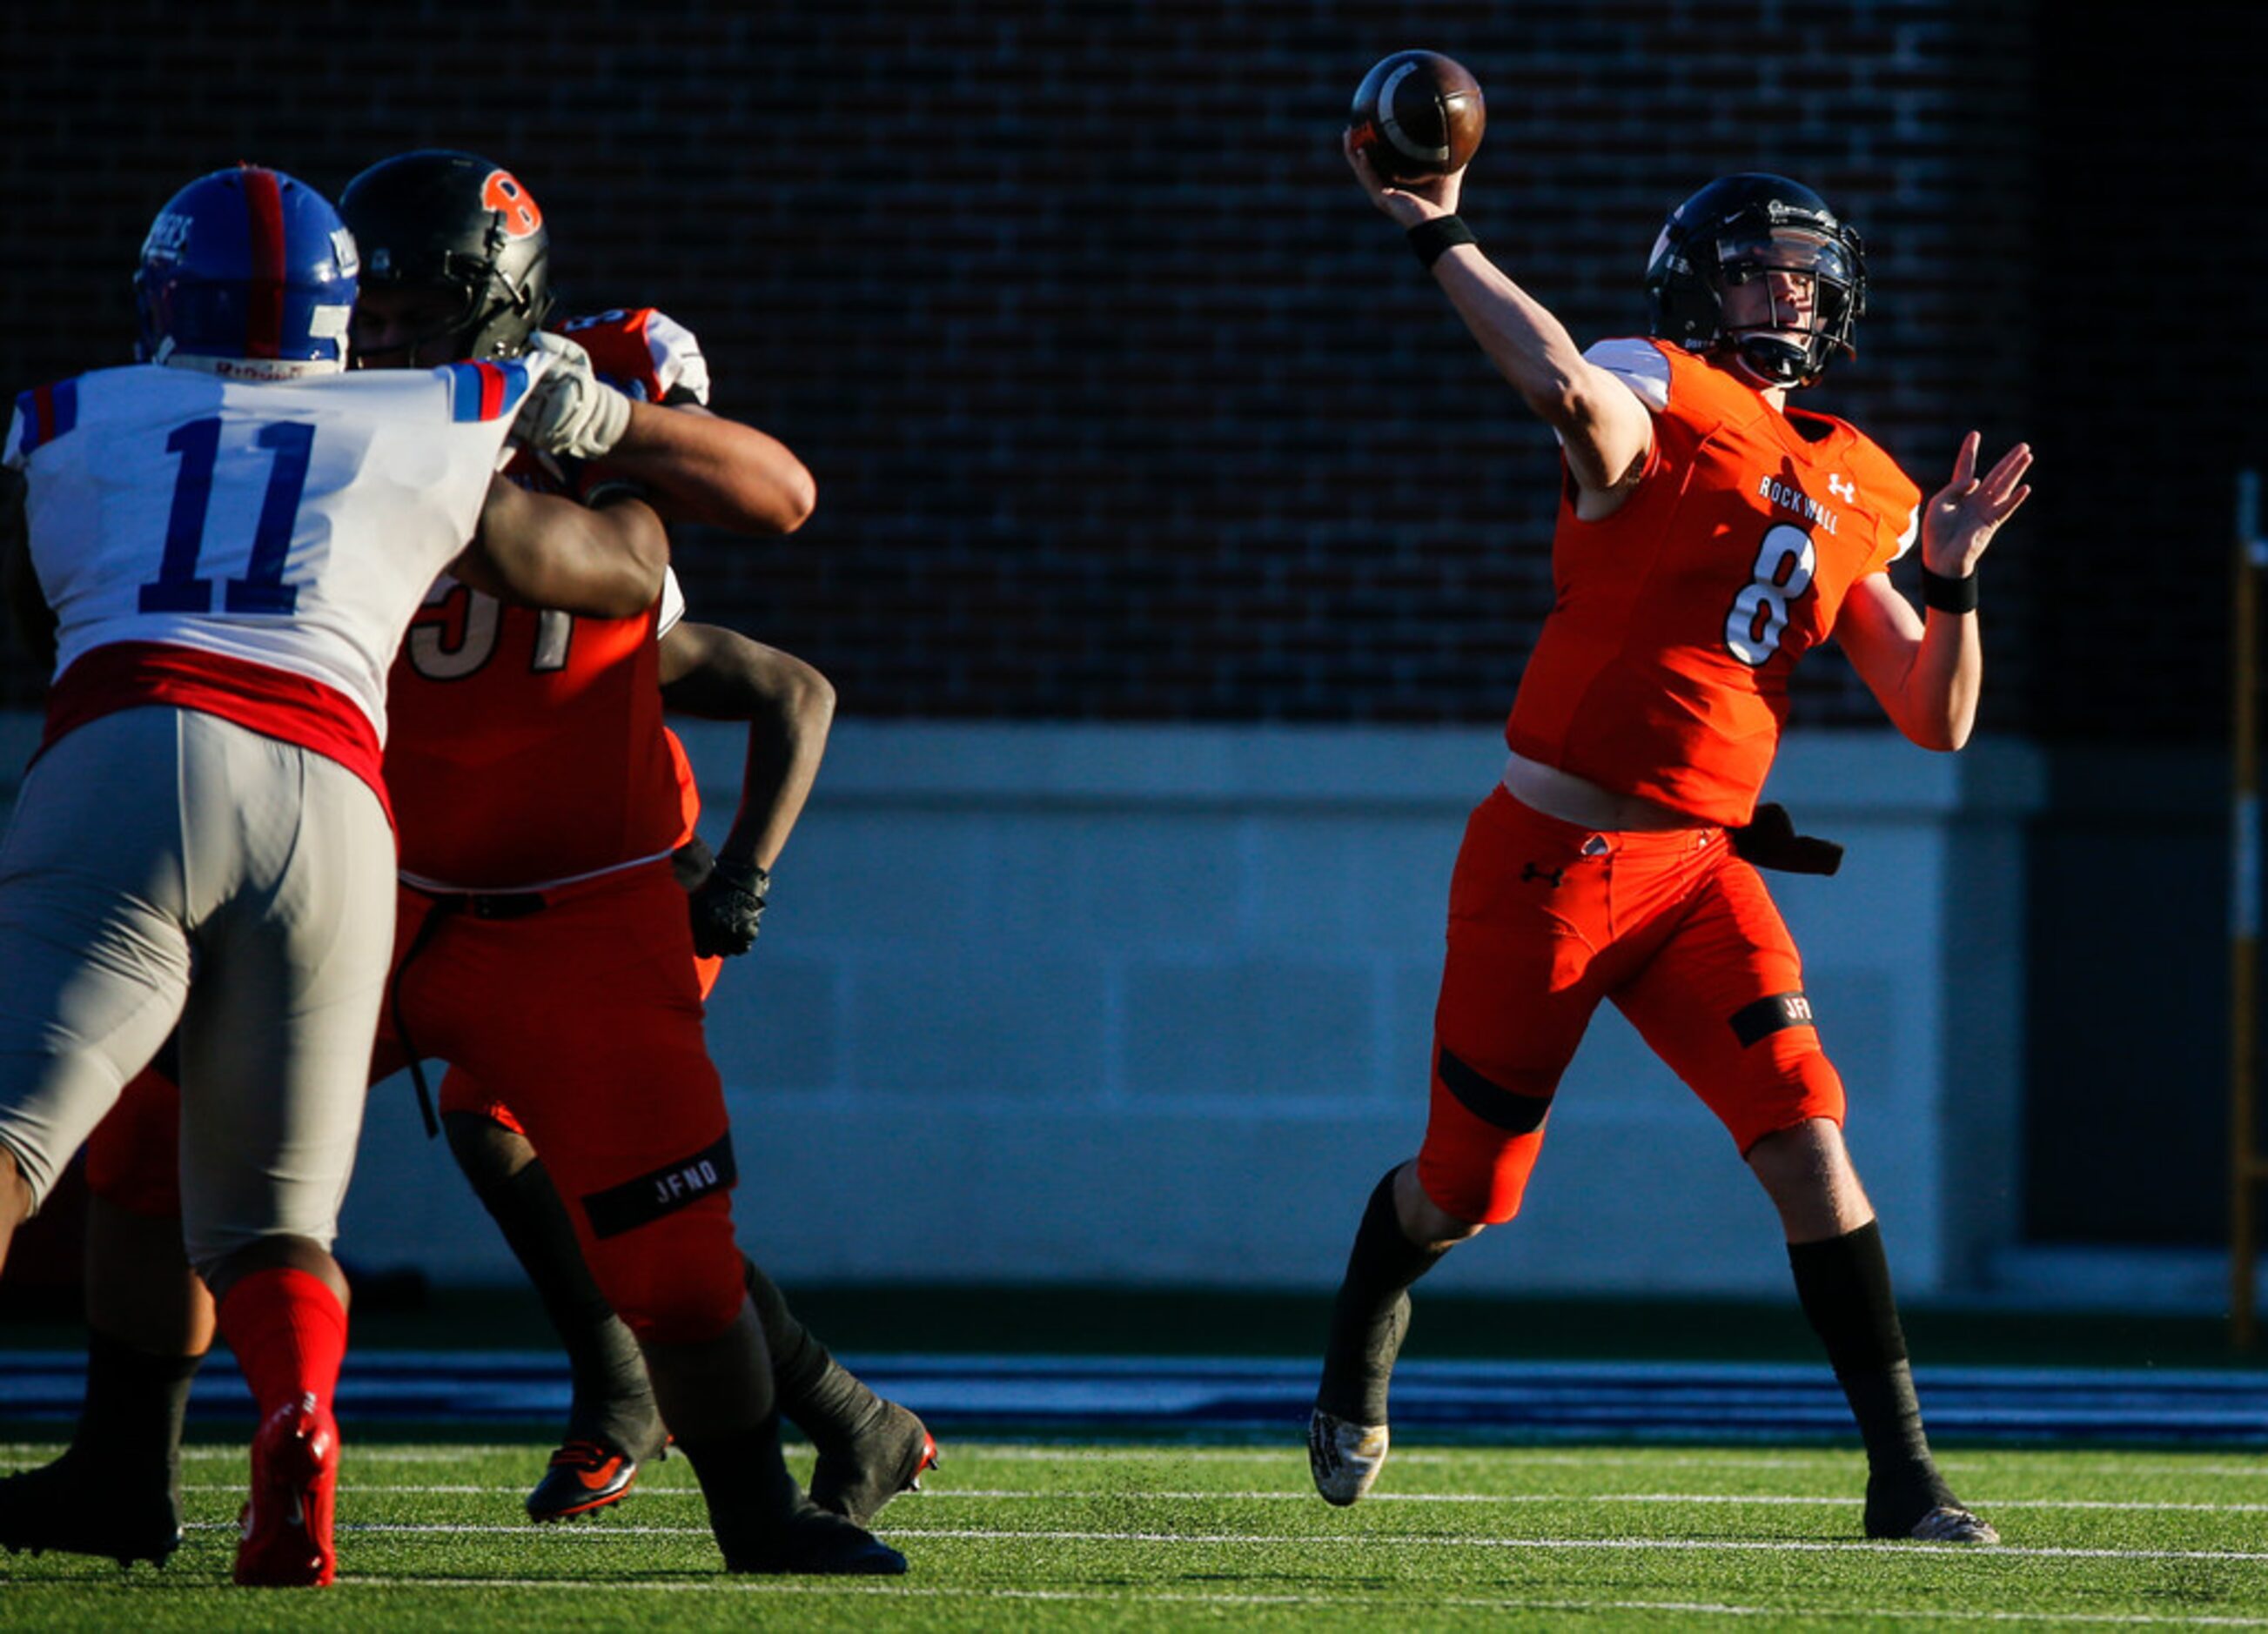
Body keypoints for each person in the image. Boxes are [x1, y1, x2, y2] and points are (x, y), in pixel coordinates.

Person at [0, 150, 924, 1577]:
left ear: (502, 308)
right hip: (374, 882)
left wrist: (592, 413)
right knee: (135, 1156)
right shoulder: (361, 410)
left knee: (672, 1253)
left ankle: (761, 1510)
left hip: (573, 901)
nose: (389, 341)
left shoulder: (537, 390)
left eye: (429, 312)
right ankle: (125, 1467)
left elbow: (771, 500)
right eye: (376, 308)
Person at [1307, 144, 2033, 1546]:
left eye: (1807, 275)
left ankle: (1906, 1477)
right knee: (1466, 1187)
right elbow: (1561, 392)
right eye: (1761, 267)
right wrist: (1440, 234)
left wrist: (1947, 580)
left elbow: (1932, 718)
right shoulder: (1653, 383)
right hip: (1549, 865)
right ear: (1697, 287)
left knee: (1807, 1134)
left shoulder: (1856, 477)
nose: (1790, 294)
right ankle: (1365, 1309)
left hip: (1700, 869)